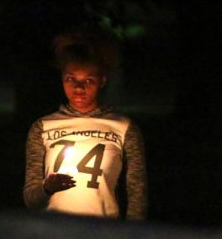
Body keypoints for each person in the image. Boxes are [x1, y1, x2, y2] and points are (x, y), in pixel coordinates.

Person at [24, 26, 147, 220]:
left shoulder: (124, 128)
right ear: (62, 79)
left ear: (102, 81)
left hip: (103, 230)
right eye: (71, 79)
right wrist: (47, 188)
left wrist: (130, 236)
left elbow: (137, 192)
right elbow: (31, 199)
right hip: (55, 229)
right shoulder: (42, 127)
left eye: (88, 80)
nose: (79, 88)